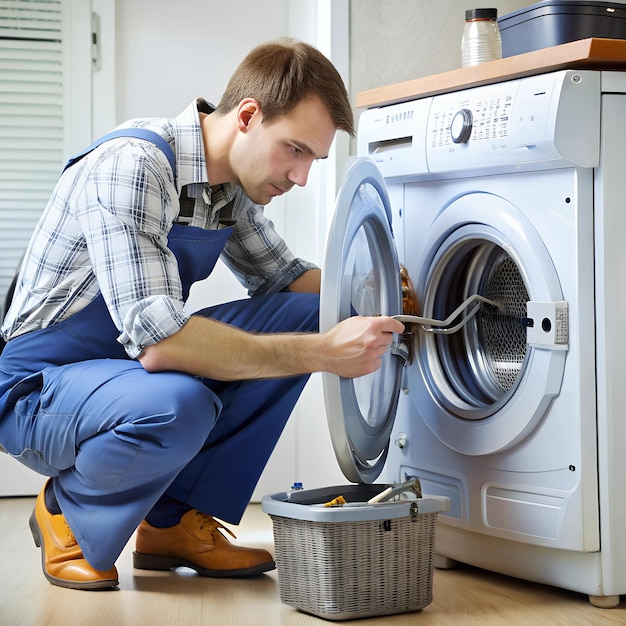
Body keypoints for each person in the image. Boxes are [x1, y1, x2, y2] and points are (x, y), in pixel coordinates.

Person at [0, 38, 404, 590]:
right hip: (37, 386)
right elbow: (162, 344)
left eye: (313, 158)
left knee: (308, 312)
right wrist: (324, 354)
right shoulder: (134, 166)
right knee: (180, 404)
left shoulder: (229, 187)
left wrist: (388, 296)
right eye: (295, 150)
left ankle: (170, 521)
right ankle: (65, 510)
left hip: (119, 372)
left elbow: (288, 281)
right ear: (247, 116)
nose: (302, 176)